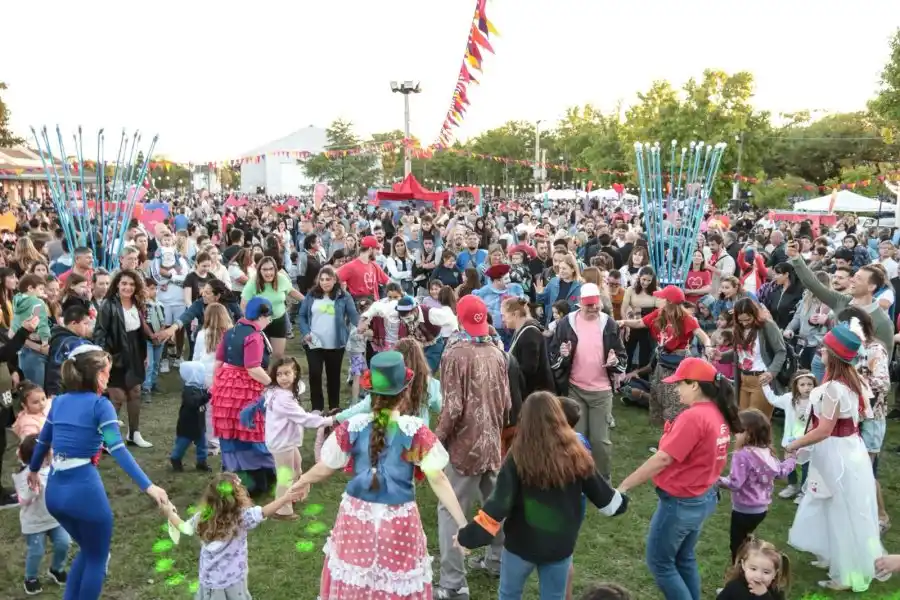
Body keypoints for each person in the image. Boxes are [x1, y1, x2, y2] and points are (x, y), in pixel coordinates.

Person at [289, 351, 468, 600]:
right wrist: (462, 523)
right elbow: (438, 478)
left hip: (357, 518)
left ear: (370, 392)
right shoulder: (415, 431)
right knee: (396, 582)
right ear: (404, 393)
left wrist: (301, 481)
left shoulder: (353, 426)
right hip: (399, 522)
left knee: (356, 580)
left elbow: (326, 466)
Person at [27, 344, 169, 600]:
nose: (108, 378)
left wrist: (34, 469)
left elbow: (42, 441)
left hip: (56, 494)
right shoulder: (100, 405)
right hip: (83, 490)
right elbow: (118, 448)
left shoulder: (58, 402)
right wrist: (149, 486)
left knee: (88, 550)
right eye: (106, 372)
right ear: (96, 375)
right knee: (98, 556)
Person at [456, 391, 628, 600]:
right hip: (559, 548)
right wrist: (621, 501)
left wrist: (468, 536)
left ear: (525, 420)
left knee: (509, 595)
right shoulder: (577, 453)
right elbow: (606, 500)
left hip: (520, 546)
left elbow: (498, 505)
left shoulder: (517, 457)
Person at [617, 358, 743, 600]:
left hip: (681, 502)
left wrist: (624, 486)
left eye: (679, 384)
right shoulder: (716, 412)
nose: (676, 389)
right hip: (703, 496)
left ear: (695, 385)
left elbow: (663, 459)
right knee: (684, 558)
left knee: (660, 563)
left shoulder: (694, 417)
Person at [785, 321, 886, 592]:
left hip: (836, 450)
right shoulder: (854, 380)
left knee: (841, 506)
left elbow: (824, 429)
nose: (821, 350)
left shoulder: (832, 388)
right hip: (850, 446)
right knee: (832, 501)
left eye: (825, 347)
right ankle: (832, 554)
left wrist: (795, 443)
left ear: (833, 354)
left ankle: (847, 572)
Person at [436, 295, 512, 598]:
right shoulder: (498, 352)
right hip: (493, 444)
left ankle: (453, 583)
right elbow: (507, 404)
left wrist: (435, 440)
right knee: (495, 506)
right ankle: (498, 561)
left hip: (462, 449)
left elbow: (452, 408)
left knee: (451, 510)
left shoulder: (454, 354)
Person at [160, 472, 304, 600]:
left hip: (210, 581)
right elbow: (264, 511)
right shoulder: (241, 518)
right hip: (234, 580)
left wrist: (170, 513)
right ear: (238, 496)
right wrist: (285, 498)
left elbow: (184, 527)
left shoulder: (201, 517)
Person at [549, 284, 626, 480]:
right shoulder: (566, 323)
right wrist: (563, 355)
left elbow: (621, 355)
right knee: (577, 439)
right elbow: (554, 356)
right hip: (575, 388)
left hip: (601, 391)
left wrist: (614, 361)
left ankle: (602, 480)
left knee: (600, 441)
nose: (593, 308)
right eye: (589, 305)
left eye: (596, 304)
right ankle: (579, 478)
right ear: (580, 304)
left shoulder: (608, 323)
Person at [618, 285, 711, 427]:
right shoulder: (659, 313)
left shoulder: (687, 319)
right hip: (662, 361)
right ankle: (665, 436)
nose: (658, 300)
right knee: (657, 397)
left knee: (675, 401)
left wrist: (708, 347)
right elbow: (639, 323)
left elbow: (702, 335)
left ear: (670, 302)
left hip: (678, 364)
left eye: (661, 298)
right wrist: (623, 322)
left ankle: (675, 436)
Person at [211, 297, 276, 496]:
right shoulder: (254, 336)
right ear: (262, 316)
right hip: (245, 390)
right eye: (268, 317)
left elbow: (218, 363)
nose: (269, 321)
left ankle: (233, 477)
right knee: (251, 429)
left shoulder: (230, 332)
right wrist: (273, 384)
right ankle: (257, 478)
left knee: (230, 430)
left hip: (226, 390)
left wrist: (217, 386)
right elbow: (253, 368)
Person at [717, 409, 796, 564]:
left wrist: (713, 479)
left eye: (738, 430)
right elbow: (780, 472)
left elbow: (735, 483)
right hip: (761, 510)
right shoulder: (767, 451)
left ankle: (741, 578)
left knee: (737, 548)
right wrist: (792, 459)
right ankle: (748, 560)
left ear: (748, 432)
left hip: (743, 511)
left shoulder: (743, 454)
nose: (735, 434)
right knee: (745, 540)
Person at [787, 240, 894, 352]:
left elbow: (882, 362)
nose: (852, 280)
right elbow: (813, 284)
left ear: (871, 287)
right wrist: (796, 258)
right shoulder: (842, 301)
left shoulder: (882, 322)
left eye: (859, 278)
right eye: (854, 276)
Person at [94, 269, 152, 448]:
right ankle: (107, 440)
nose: (128, 287)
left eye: (132, 284)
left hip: (135, 353)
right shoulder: (108, 305)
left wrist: (144, 354)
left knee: (135, 393)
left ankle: (134, 434)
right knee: (117, 397)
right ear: (117, 284)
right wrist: (103, 360)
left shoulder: (138, 303)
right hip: (114, 354)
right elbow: (100, 333)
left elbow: (140, 332)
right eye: (124, 283)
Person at [14, 434, 71, 595]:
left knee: (64, 543)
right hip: (35, 522)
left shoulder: (53, 468)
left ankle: (56, 569)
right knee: (36, 551)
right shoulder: (24, 475)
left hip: (55, 519)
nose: (51, 455)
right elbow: (23, 500)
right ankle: (30, 577)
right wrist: (33, 490)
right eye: (47, 454)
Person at [298, 266, 360, 411]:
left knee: (334, 376)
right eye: (322, 279)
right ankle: (317, 408)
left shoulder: (344, 296)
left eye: (328, 279)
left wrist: (364, 324)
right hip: (313, 343)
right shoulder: (311, 295)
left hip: (335, 344)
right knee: (314, 374)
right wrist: (305, 332)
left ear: (335, 280)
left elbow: (353, 315)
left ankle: (334, 407)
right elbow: (301, 316)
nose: (325, 282)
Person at [719, 298, 786, 420]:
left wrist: (771, 372)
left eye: (748, 319)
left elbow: (781, 352)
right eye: (741, 320)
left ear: (755, 314)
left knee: (756, 424)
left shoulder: (767, 326)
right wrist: (720, 356)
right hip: (743, 380)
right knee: (742, 422)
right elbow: (739, 354)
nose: (744, 323)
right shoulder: (738, 328)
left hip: (761, 379)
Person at [763, 371, 816, 502]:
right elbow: (773, 399)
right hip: (791, 439)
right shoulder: (789, 399)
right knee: (789, 462)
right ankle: (793, 485)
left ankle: (804, 491)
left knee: (806, 466)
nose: (806, 388)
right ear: (796, 385)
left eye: (810, 384)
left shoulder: (816, 401)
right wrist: (765, 385)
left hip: (808, 440)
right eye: (802, 384)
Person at [240, 256, 303, 365]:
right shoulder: (252, 283)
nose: (268, 273)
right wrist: (250, 324)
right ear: (259, 270)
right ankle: (262, 378)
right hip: (259, 323)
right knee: (261, 355)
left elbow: (292, 292)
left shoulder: (281, 279)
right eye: (265, 269)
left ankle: (275, 378)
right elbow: (243, 305)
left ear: (275, 269)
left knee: (278, 355)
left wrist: (309, 301)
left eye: (271, 269)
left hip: (278, 320)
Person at [502, 297, 555, 398]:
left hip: (537, 397)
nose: (503, 319)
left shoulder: (530, 334)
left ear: (515, 314)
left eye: (504, 315)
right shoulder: (521, 330)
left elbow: (529, 370)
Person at [716, 537, 790, 600]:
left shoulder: (776, 593)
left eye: (766, 572)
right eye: (753, 569)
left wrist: (764, 596)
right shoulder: (734, 587)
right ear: (743, 565)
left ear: (775, 573)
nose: (758, 576)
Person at [169, 361, 211, 473]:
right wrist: (205, 396)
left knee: (203, 445)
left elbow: (202, 399)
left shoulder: (200, 387)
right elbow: (193, 403)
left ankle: (202, 462)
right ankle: (175, 458)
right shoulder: (188, 390)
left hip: (199, 423)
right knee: (182, 444)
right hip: (187, 425)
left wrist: (208, 394)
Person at [44, 305, 93, 397]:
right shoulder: (65, 342)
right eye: (85, 324)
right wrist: (55, 394)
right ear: (74, 323)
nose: (88, 328)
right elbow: (56, 368)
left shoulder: (73, 340)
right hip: (66, 394)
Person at [336, 235, 390, 300]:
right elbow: (333, 279)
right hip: (359, 307)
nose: (377, 252)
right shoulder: (350, 266)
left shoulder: (374, 265)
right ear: (370, 249)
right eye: (376, 248)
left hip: (375, 306)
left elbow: (388, 281)